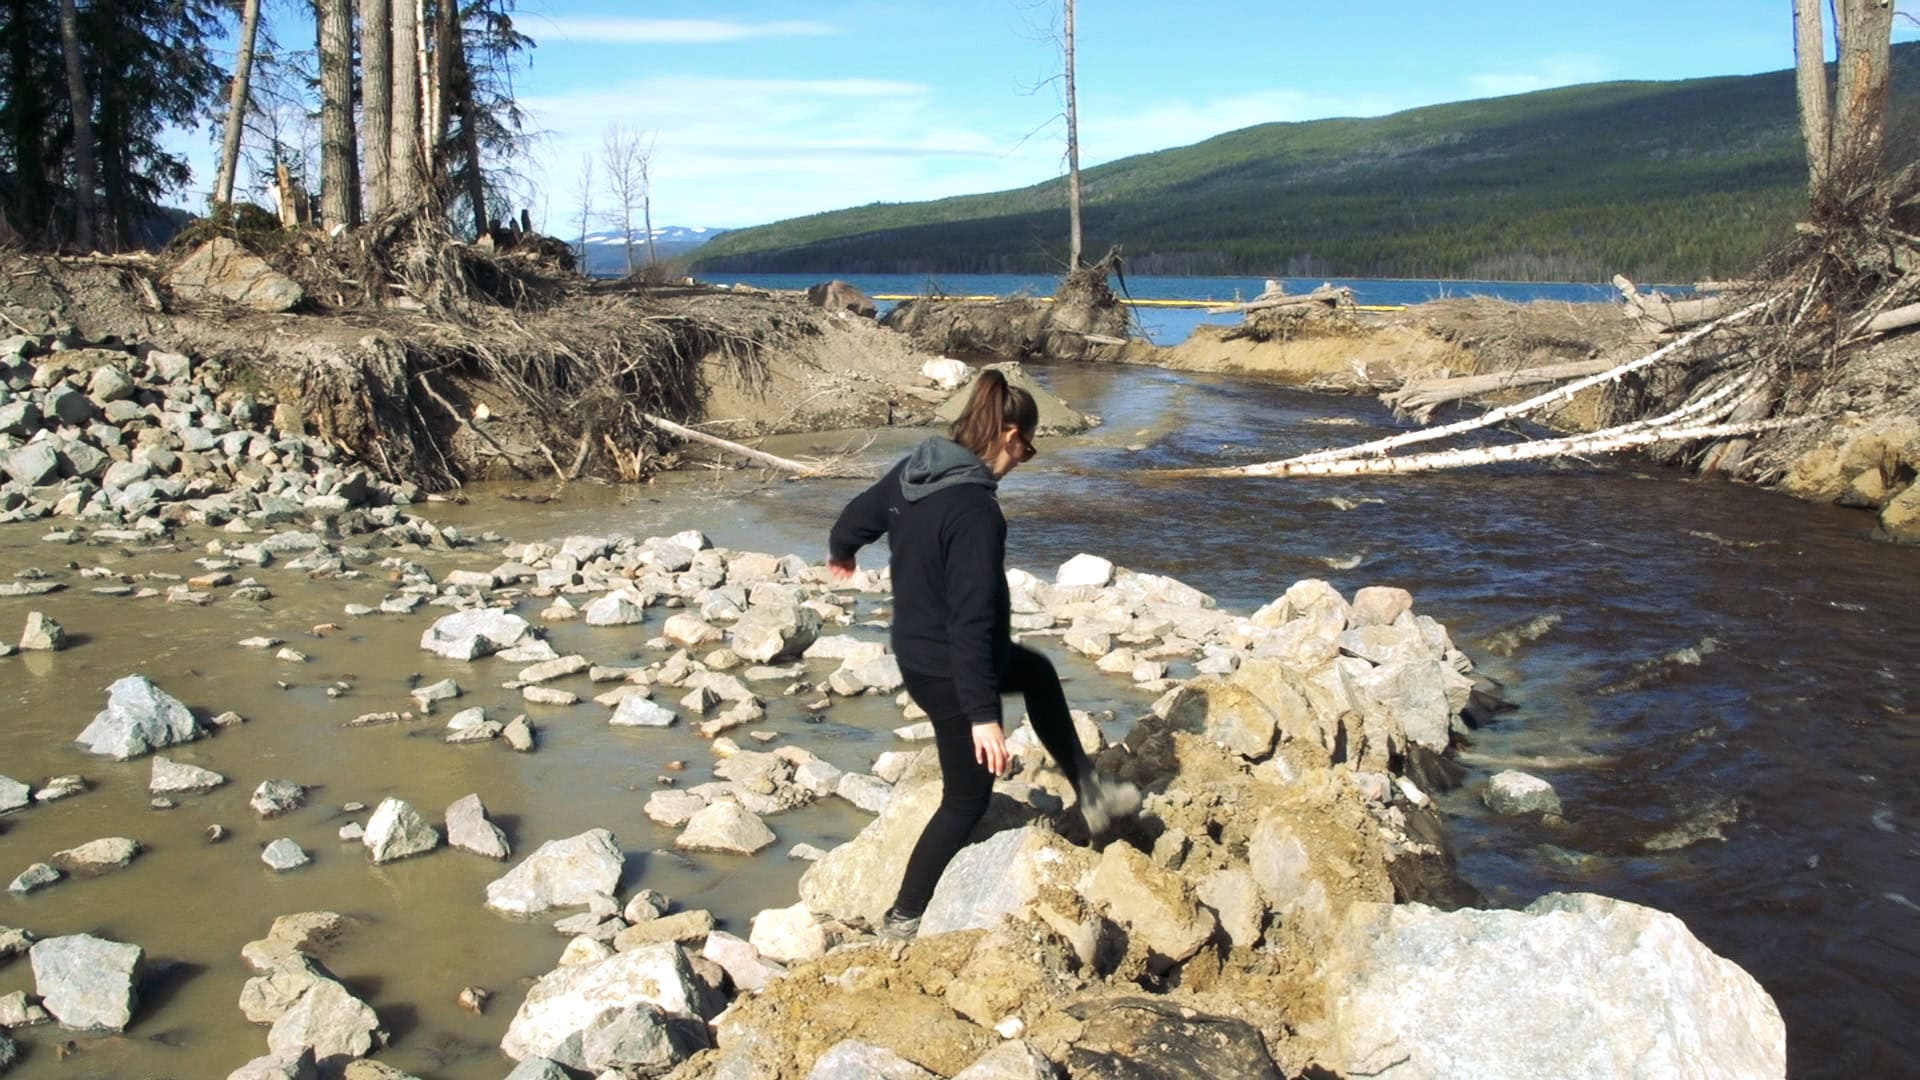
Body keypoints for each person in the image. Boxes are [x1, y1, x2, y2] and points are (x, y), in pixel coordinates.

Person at [827, 369, 1138, 940]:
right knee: (966, 800)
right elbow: (970, 621)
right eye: (1028, 447)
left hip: (922, 650)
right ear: (1009, 434)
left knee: (1038, 672)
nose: (1026, 459)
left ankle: (1091, 791)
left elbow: (856, 517)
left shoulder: (914, 472)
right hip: (950, 667)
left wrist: (842, 552)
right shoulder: (975, 511)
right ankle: (902, 917)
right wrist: (983, 717)